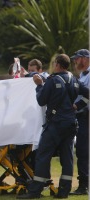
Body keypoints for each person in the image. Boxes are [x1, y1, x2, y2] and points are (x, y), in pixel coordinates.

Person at [17, 54, 89, 199]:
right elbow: (87, 94)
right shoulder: (74, 80)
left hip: (55, 124)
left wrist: (38, 86)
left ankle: (35, 191)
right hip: (71, 124)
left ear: (57, 64)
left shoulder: (52, 80)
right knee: (67, 158)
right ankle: (64, 191)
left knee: (43, 155)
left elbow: (41, 101)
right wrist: (76, 106)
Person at [69, 49, 89, 195]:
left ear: (84, 59)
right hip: (81, 117)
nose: (75, 61)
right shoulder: (83, 75)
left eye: (77, 59)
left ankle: (84, 186)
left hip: (86, 116)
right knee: (82, 151)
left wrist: (77, 107)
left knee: (83, 150)